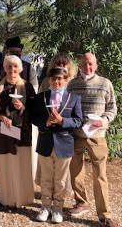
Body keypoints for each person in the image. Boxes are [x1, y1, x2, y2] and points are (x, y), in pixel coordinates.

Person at [67, 53, 118, 227]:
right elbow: (68, 108)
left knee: (100, 175)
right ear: (80, 65)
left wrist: (103, 120)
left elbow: (112, 107)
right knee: (75, 172)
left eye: (91, 64)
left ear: (96, 65)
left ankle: (104, 214)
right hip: (76, 135)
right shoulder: (72, 85)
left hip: (97, 136)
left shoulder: (105, 84)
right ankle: (81, 202)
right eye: (84, 64)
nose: (87, 67)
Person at [32, 67, 82, 223]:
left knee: (60, 180)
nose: (56, 82)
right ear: (49, 80)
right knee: (46, 178)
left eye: (60, 79)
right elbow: (33, 117)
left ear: (66, 81)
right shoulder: (41, 97)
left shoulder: (73, 98)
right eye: (54, 78)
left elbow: (79, 121)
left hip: (64, 144)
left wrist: (62, 121)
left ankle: (57, 209)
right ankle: (45, 207)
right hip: (45, 142)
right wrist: (45, 122)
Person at [0, 55, 36, 208]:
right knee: (5, 165)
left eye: (15, 66)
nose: (12, 69)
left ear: (20, 68)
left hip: (21, 134)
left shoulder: (27, 87)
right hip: (2, 132)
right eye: (9, 66)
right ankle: (5, 199)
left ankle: (21, 200)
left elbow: (35, 111)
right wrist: (1, 117)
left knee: (20, 165)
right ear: (4, 68)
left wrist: (22, 107)